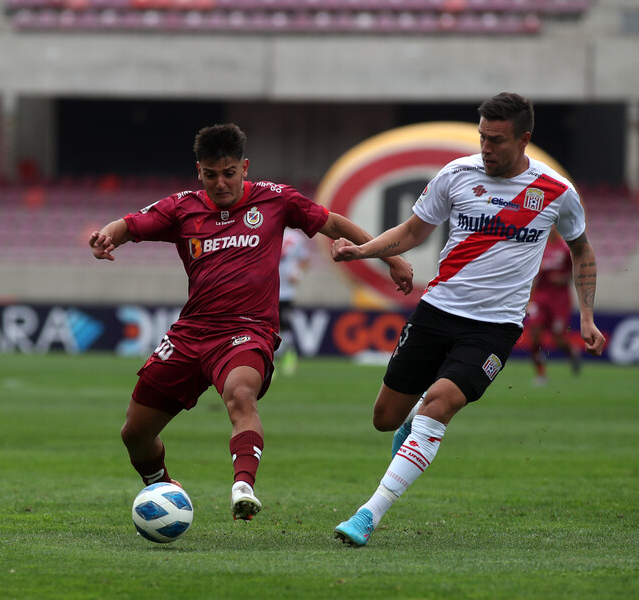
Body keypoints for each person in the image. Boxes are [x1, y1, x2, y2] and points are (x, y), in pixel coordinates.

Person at [89, 123, 414, 521]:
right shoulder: (182, 207)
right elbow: (129, 225)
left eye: (228, 173)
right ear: (199, 172)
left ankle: (243, 485)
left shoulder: (276, 200)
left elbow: (333, 223)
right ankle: (162, 488)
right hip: (191, 333)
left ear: (244, 167)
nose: (220, 183)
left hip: (247, 330)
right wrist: (107, 236)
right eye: (211, 175)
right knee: (134, 433)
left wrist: (391, 259)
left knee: (241, 395)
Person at [329, 92, 606, 546]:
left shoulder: (556, 192)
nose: (486, 147)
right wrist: (364, 250)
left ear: (524, 139)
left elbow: (581, 248)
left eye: (496, 140)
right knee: (385, 418)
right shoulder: (455, 175)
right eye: (482, 137)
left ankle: (367, 515)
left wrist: (587, 316)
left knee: (439, 404)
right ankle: (413, 418)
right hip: (436, 312)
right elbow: (413, 232)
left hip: (494, 329)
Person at [525, 229, 582, 385]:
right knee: (534, 336)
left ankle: (572, 353)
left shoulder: (564, 249)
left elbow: (576, 270)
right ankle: (541, 374)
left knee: (558, 339)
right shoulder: (539, 248)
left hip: (559, 299)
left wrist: (563, 278)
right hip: (540, 298)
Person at [276, 228, 311, 376]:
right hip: (267, 289)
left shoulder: (295, 238)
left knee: (284, 324)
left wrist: (298, 273)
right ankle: (269, 360)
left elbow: (305, 258)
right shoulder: (268, 231)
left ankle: (289, 355)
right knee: (268, 326)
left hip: (286, 290)